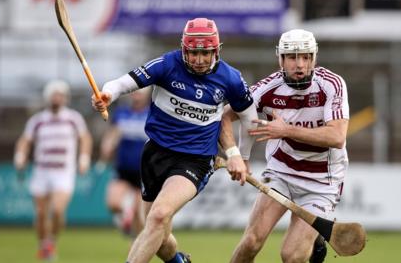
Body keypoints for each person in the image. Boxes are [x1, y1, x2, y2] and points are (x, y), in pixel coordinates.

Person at [92, 17, 257, 263]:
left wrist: (241, 157)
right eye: (193, 53)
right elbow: (123, 83)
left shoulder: (230, 78)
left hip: (196, 159)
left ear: (216, 50)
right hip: (155, 154)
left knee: (158, 217)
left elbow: (249, 118)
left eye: (206, 53)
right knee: (156, 231)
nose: (199, 60)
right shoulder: (167, 64)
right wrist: (108, 94)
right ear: (184, 49)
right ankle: (177, 261)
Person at [220, 29, 349, 263]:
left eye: (306, 57)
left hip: (322, 183)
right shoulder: (268, 88)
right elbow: (226, 116)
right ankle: (316, 238)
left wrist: (286, 129)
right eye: (292, 57)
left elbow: (337, 136)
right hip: (281, 173)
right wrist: (236, 155)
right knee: (250, 242)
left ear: (314, 58)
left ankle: (315, 240)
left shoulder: (332, 84)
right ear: (280, 59)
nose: (299, 64)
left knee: (291, 255)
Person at [14, 79, 93, 261]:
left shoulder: (73, 118)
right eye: (54, 95)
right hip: (42, 171)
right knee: (41, 213)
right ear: (48, 97)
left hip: (63, 171)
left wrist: (84, 158)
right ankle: (43, 245)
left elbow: (85, 138)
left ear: (65, 98)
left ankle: (51, 241)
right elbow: (25, 141)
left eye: (61, 95)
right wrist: (20, 156)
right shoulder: (38, 121)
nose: (57, 98)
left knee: (57, 210)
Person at [98, 87, 151, 237]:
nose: (136, 96)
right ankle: (125, 216)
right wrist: (107, 146)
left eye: (140, 94)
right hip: (123, 168)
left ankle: (134, 250)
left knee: (139, 217)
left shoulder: (152, 114)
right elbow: (112, 134)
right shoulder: (122, 113)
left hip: (144, 171)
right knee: (113, 203)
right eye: (134, 93)